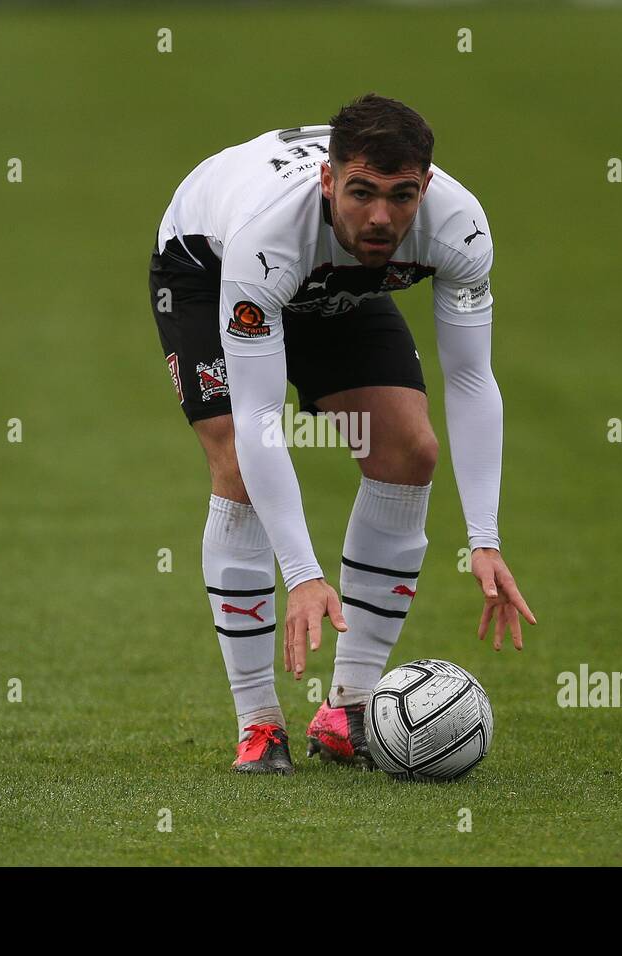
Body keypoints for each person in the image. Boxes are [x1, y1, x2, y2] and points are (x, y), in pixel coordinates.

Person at [148, 93, 536, 775]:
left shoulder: (458, 228)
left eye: (401, 195)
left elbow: (472, 381)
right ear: (328, 181)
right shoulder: (267, 236)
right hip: (212, 270)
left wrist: (485, 537)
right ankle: (260, 724)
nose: (382, 216)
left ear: (428, 186)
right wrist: (302, 575)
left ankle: (348, 709)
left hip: (336, 280)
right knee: (238, 465)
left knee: (408, 452)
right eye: (362, 192)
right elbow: (262, 420)